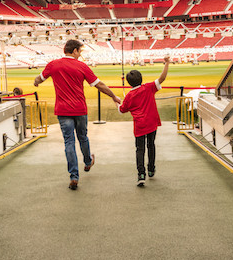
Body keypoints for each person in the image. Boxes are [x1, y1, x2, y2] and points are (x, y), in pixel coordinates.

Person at [34, 39, 121, 190]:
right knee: (83, 137)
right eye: (79, 51)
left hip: (62, 110)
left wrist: (36, 83)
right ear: (74, 51)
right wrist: (113, 96)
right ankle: (88, 162)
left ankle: (74, 177)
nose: (80, 54)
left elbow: (39, 79)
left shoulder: (53, 64)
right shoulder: (82, 66)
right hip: (80, 109)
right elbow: (99, 85)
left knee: (69, 142)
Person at [118, 55, 170, 186]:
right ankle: (151, 169)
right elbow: (162, 78)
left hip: (140, 126)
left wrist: (117, 102)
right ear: (141, 79)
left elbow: (122, 110)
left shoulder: (129, 95)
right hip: (152, 123)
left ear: (129, 82)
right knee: (151, 145)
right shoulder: (148, 87)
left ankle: (141, 174)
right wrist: (167, 63)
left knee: (140, 149)